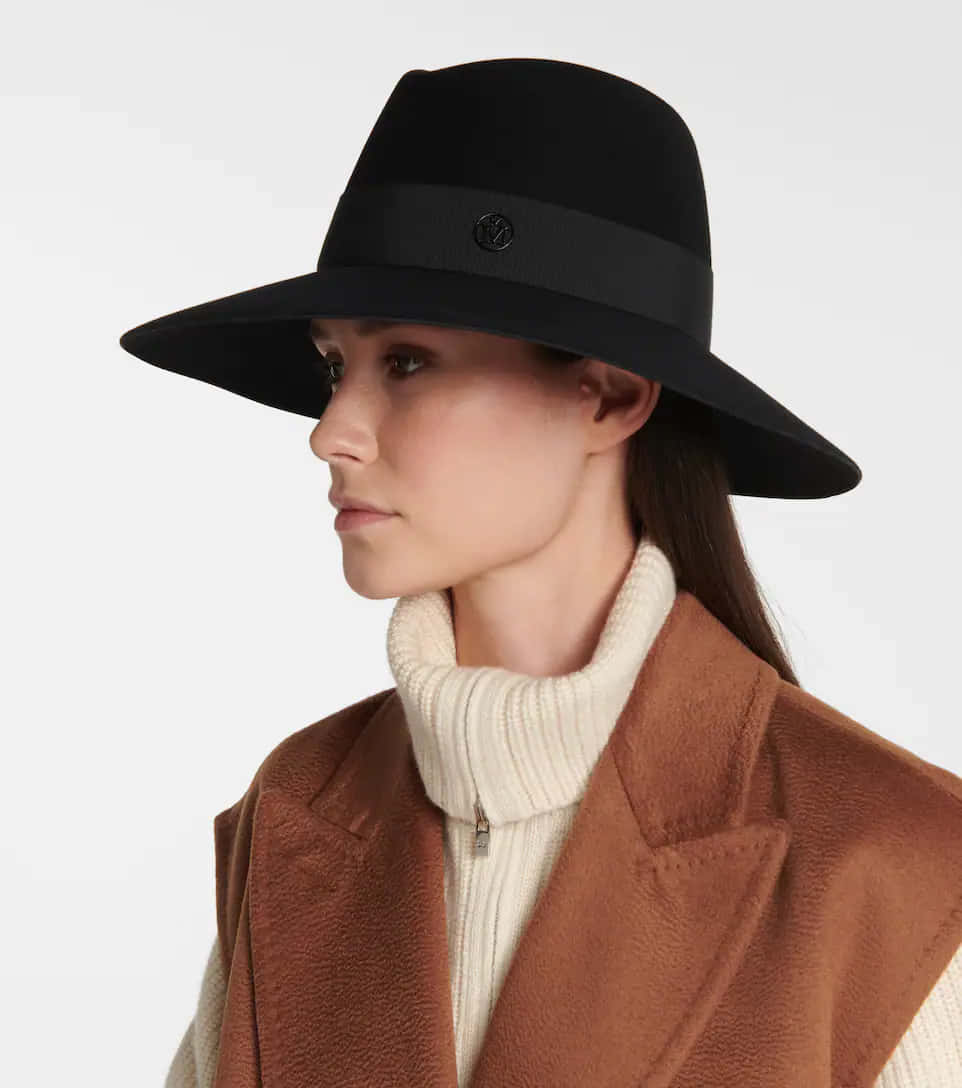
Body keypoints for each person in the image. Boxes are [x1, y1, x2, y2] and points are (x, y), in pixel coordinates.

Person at [119, 59, 962, 1088]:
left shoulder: (891, 861)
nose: (331, 430)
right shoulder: (298, 813)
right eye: (335, 365)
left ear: (608, 396)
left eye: (407, 362)